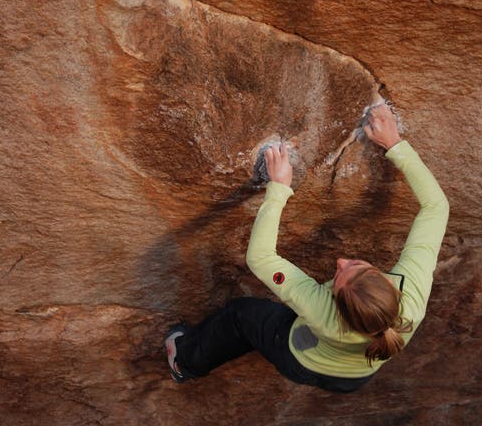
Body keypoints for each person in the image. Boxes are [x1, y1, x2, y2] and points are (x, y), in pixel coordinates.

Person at [165, 103, 449, 394]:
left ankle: (184, 362)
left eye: (338, 280)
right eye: (354, 266)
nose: (340, 261)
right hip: (353, 379)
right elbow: (435, 208)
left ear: (334, 306)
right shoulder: (411, 296)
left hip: (299, 360)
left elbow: (261, 259)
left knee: (240, 315)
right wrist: (394, 143)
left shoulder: (320, 310)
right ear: (387, 282)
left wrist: (278, 188)